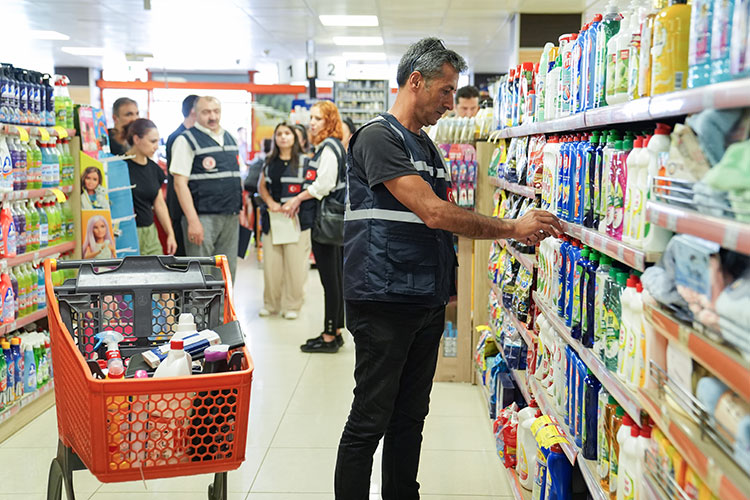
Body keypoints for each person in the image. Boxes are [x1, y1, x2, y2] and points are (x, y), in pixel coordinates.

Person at [334, 38, 563, 499]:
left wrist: (449, 287)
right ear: (414, 81)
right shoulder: (379, 136)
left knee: (410, 416)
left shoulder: (426, 145)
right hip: (383, 297)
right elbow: (434, 213)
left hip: (421, 296)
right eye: (444, 90)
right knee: (371, 419)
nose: (450, 101)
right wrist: (510, 227)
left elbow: (436, 226)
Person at [283, 101, 347, 348]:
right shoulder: (326, 146)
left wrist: (298, 197)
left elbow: (324, 184)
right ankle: (336, 330)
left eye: (318, 119)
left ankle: (330, 335)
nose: (312, 122)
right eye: (311, 117)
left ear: (329, 121)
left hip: (327, 223)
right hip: (331, 221)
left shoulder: (328, 148)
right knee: (335, 279)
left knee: (330, 281)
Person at [169, 96, 242, 279]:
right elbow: (179, 183)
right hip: (203, 218)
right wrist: (193, 221)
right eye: (206, 112)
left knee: (227, 272)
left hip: (230, 216)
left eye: (216, 111)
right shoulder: (186, 140)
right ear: (195, 113)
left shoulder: (230, 138)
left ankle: (223, 309)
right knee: (201, 274)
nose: (212, 116)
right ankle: (199, 310)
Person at [256, 123, 313, 318]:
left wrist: (296, 202)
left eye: (287, 133)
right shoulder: (269, 162)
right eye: (279, 134)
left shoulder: (306, 162)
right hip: (273, 220)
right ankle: (271, 304)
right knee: (272, 266)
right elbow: (261, 186)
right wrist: (270, 201)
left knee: (295, 266)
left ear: (295, 138)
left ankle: (292, 306)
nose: (283, 137)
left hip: (297, 221)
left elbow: (312, 188)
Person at [125, 118, 177, 256]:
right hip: (127, 233)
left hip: (150, 232)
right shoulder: (120, 167)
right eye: (152, 141)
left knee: (155, 274)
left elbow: (159, 204)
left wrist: (170, 234)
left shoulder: (154, 169)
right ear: (136, 139)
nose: (156, 146)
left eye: (157, 142)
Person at [166, 94, 199, 257]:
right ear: (194, 111)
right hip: (180, 206)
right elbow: (178, 179)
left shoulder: (193, 135)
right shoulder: (180, 137)